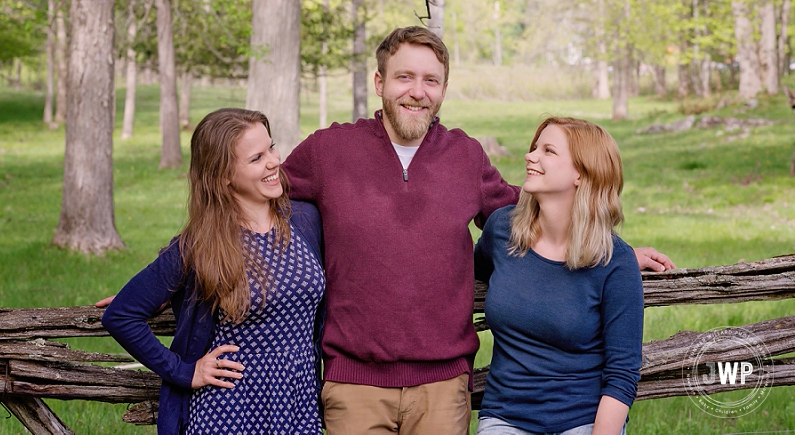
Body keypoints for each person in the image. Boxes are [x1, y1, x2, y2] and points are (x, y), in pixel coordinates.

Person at [281, 26, 673, 434]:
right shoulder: (328, 150)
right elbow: (265, 194)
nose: (418, 91)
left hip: (443, 383)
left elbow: (532, 205)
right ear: (379, 82)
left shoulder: (464, 155)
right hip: (354, 382)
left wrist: (616, 251)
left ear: (444, 90)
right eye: (404, 77)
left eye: (431, 80)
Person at [101, 108, 325, 435]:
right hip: (232, 411)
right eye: (256, 158)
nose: (274, 161)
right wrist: (184, 371)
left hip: (300, 403)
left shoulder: (304, 220)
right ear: (223, 176)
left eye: (272, 148)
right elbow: (121, 315)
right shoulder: (200, 245)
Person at [474, 117, 643, 435]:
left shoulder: (614, 262)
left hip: (583, 421)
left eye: (548, 150)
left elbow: (622, 372)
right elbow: (468, 273)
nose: (530, 156)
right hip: (505, 418)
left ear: (581, 173)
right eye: (533, 147)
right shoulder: (502, 231)